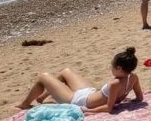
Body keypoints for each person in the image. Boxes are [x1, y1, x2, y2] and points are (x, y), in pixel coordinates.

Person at [14, 47, 142, 112]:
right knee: (66, 72)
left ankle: (25, 104)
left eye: (112, 66)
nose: (111, 68)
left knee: (43, 76)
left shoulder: (114, 83)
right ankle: (42, 97)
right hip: (89, 93)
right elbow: (139, 98)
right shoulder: (133, 77)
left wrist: (88, 111)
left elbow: (108, 108)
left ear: (119, 68)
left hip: (78, 101)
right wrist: (126, 100)